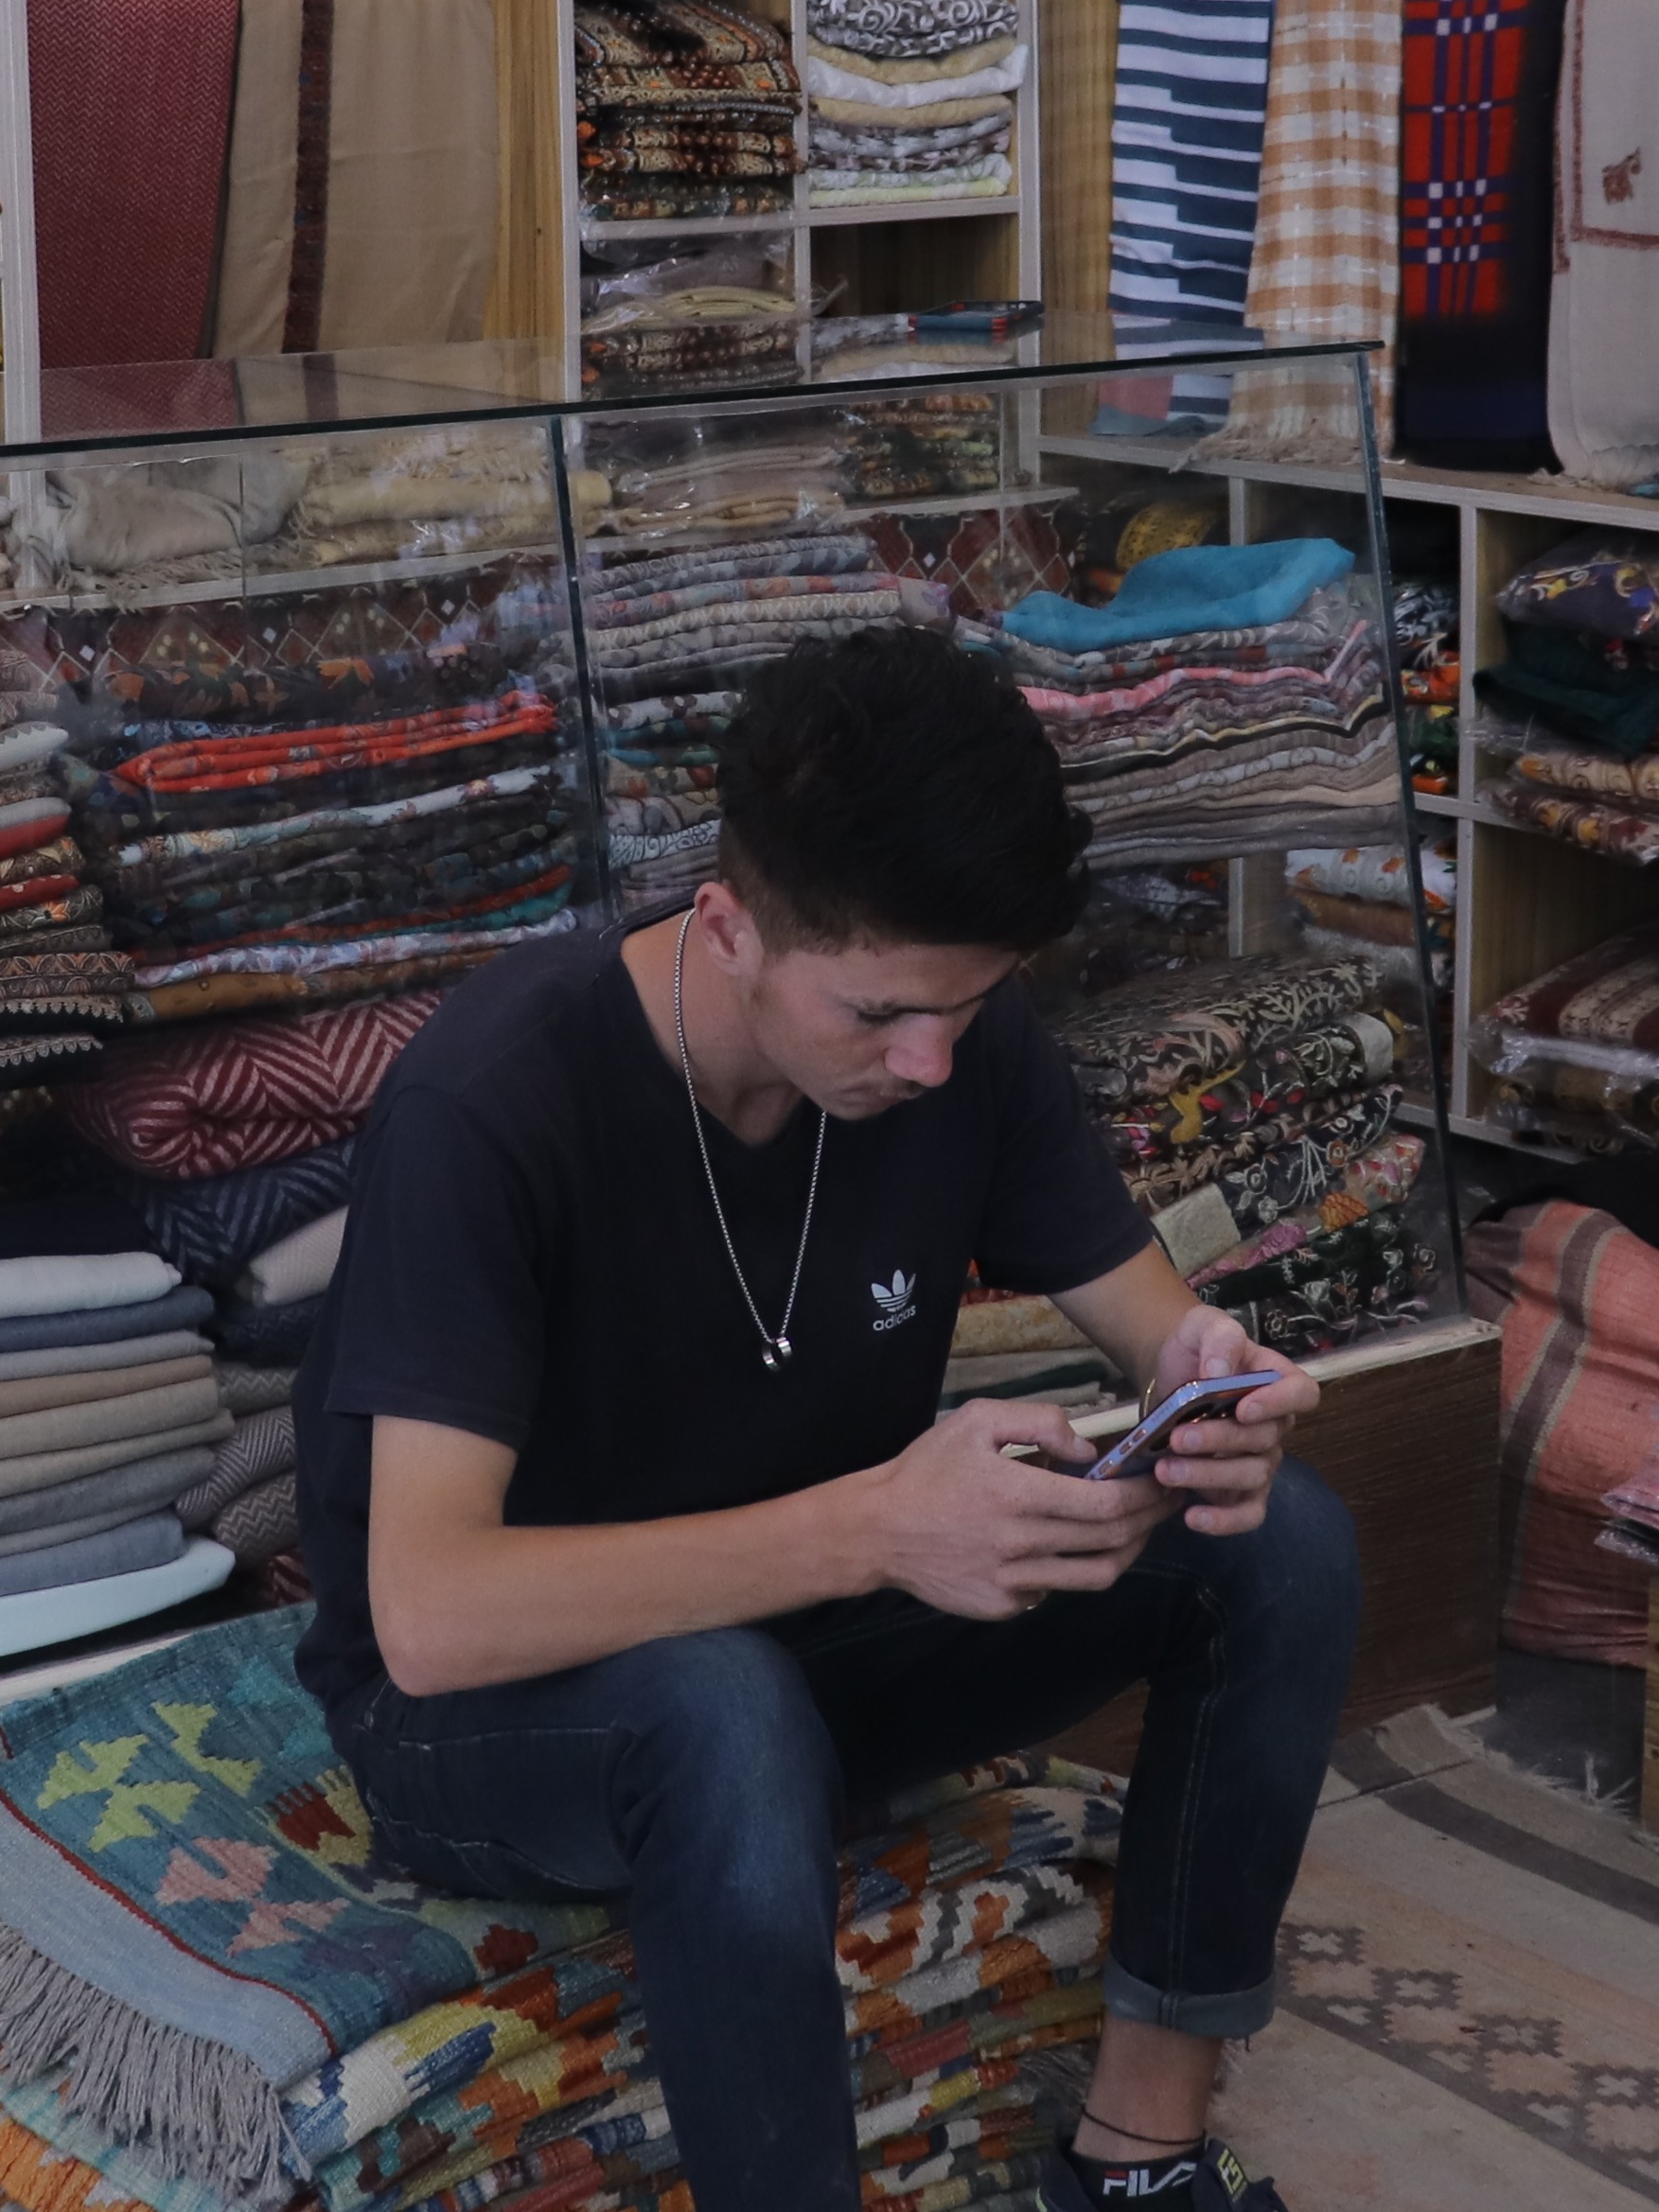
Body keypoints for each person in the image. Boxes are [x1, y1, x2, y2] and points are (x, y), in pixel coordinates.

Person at [295, 625, 1356, 2212]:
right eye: (875, 1015)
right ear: (726, 927)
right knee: (721, 1708)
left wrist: (1208, 1393)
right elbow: (433, 1617)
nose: (927, 1060)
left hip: (811, 1643)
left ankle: (1139, 2158)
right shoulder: (493, 1104)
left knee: (1282, 1546)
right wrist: (872, 1524)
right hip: (494, 1720)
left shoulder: (956, 1045)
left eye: (971, 1003)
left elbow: (1161, 1328)